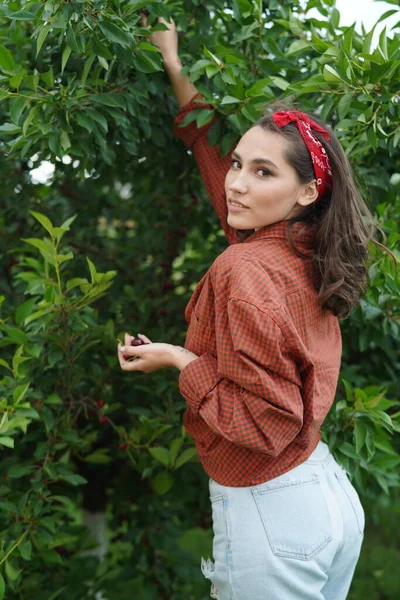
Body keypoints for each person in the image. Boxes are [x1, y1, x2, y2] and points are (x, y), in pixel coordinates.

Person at [115, 15, 393, 600]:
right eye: (240, 164)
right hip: (324, 492)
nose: (238, 183)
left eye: (262, 171)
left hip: (271, 514)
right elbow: (211, 152)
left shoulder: (243, 267)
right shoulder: (309, 245)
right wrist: (173, 64)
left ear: (306, 191)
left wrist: (177, 358)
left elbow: (263, 424)